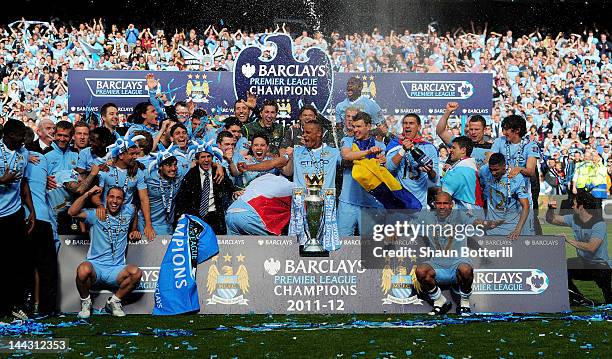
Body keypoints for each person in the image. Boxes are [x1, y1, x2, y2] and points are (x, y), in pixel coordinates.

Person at [68, 186, 142, 318]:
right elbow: (72, 212)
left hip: (116, 270)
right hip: (96, 268)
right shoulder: (96, 214)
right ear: (106, 199)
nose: (115, 201)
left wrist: (134, 228)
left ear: (123, 201)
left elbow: (135, 209)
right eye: (111, 197)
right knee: (83, 270)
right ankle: (86, 302)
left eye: (119, 198)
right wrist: (88, 194)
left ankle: (114, 302)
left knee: (136, 273)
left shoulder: (128, 210)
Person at [414, 191, 474, 316]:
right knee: (421, 271)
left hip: (457, 263)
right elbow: (410, 225)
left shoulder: (460, 216)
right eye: (439, 203)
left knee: (466, 269)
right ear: (434, 204)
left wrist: (483, 223)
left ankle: (465, 304)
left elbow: (475, 222)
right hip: (437, 265)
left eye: (445, 203)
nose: (442, 206)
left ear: (451, 204)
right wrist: (395, 231)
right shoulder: (427, 217)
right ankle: (439, 300)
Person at [546, 190, 611, 304]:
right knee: (560, 268)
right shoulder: (573, 218)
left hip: (600, 265)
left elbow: (592, 247)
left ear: (581, 207)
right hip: (584, 263)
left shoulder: (599, 224)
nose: (572, 206)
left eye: (574, 203)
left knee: (609, 301)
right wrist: (550, 208)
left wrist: (568, 240)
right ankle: (579, 299)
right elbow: (551, 219)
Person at [0, 119, 35, 319]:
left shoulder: (24, 153)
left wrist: (31, 210)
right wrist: (1, 181)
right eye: (20, 135)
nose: (24, 139)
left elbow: (23, 183)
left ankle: (15, 305)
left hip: (14, 214)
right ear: (8, 135)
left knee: (17, 262)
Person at [91, 134, 156, 240]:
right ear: (121, 155)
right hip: (106, 218)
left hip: (126, 221)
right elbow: (95, 194)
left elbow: (144, 199)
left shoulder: (138, 172)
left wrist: (148, 224)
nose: (135, 157)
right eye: (132, 154)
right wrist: (99, 205)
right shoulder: (106, 171)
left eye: (136, 153)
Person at [24, 127, 59, 316]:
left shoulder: (17, 159)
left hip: (25, 218)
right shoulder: (42, 159)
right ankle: (48, 308)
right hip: (43, 218)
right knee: (47, 268)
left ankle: (24, 307)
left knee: (25, 266)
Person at [488, 115, 541, 233]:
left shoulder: (530, 145)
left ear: (517, 130)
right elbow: (490, 161)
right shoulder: (499, 141)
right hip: (501, 195)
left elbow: (531, 171)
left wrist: (519, 169)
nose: (504, 132)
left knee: (525, 233)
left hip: (522, 194)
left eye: (507, 129)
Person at [338, 112, 385, 236]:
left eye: (359, 126)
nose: (355, 130)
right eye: (354, 127)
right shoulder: (347, 140)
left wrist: (382, 162)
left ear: (368, 127)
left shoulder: (380, 146)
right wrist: (368, 152)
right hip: (348, 201)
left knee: (370, 246)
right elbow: (347, 155)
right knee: (342, 244)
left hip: (370, 203)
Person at [174, 141, 234, 234]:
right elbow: (182, 199)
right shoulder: (191, 174)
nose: (206, 160)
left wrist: (235, 192)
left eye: (208, 156)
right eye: (203, 157)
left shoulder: (219, 172)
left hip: (216, 217)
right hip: (196, 218)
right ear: (198, 159)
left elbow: (230, 189)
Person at [386, 113, 438, 208]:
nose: (407, 126)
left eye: (411, 123)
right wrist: (403, 150)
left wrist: (430, 171)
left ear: (419, 127)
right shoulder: (395, 145)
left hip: (420, 204)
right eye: (405, 123)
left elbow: (435, 179)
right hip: (399, 202)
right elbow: (388, 168)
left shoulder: (429, 148)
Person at [479, 153, 533, 239]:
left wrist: (518, 230)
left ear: (504, 166)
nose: (493, 173)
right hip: (490, 229)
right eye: (491, 170)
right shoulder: (484, 170)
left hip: (510, 230)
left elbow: (526, 206)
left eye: (496, 169)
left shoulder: (516, 177)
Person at [436, 102, 491, 168]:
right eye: (471, 129)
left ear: (484, 129)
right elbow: (440, 131)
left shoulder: (492, 148)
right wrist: (448, 111)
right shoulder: (460, 143)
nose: (473, 132)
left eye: (476, 129)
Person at [440, 136, 484, 209]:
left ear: (463, 150)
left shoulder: (460, 170)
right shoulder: (470, 165)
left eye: (454, 148)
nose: (450, 150)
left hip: (467, 214)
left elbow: (443, 193)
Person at [145, 150, 182, 235]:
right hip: (148, 226)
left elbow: (196, 164)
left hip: (168, 226)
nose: (173, 169)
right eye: (168, 165)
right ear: (160, 167)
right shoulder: (148, 177)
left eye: (175, 165)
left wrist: (217, 166)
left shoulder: (179, 175)